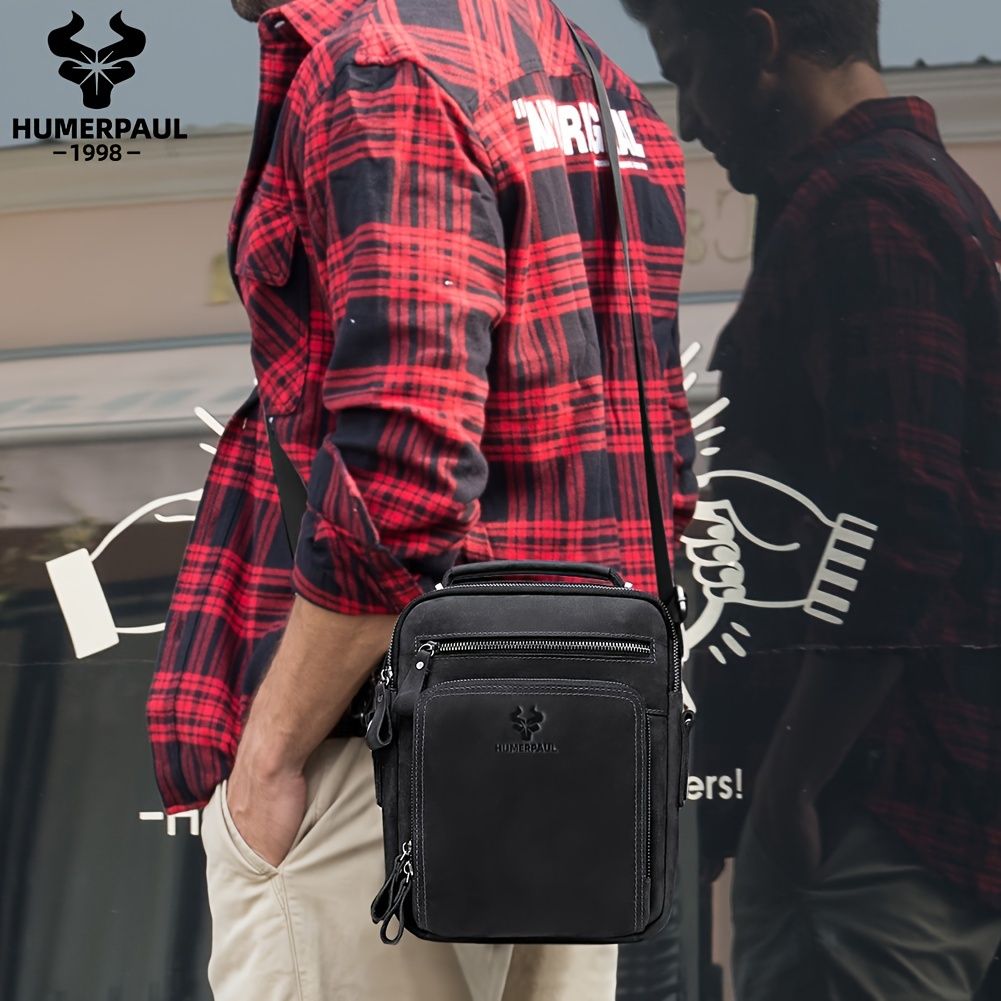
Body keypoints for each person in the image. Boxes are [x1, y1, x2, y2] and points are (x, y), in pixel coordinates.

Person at [146, 0, 697, 998]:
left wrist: (270, 751)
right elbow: (662, 466)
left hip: (381, 765)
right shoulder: (601, 89)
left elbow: (403, 477)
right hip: (569, 758)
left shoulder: (382, 67)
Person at [621, 0, 1001, 999]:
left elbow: (903, 520)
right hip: (893, 800)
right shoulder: (925, 197)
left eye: (685, 70)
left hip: (870, 810)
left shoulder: (865, 210)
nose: (686, 121)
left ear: (760, 41)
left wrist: (791, 771)